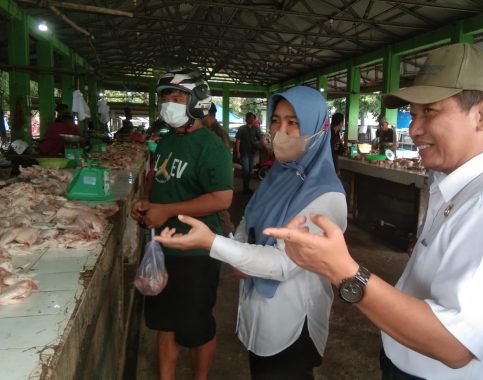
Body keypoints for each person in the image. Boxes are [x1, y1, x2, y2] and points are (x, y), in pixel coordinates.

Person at [264, 43, 483, 380]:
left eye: (429, 112)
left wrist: (344, 271)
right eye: (414, 114)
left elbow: (453, 343)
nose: (414, 129)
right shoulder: (459, 183)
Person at [154, 85, 347, 380]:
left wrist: (213, 243)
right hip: (258, 310)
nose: (281, 131)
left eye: (293, 123)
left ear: (319, 128)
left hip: (293, 319)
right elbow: (248, 221)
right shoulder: (280, 174)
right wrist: (239, 256)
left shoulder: (326, 195)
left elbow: (285, 263)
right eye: (276, 120)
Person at [130, 68, 233, 380]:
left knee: (196, 325)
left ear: (197, 102)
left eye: (178, 97)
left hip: (196, 252)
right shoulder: (166, 142)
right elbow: (160, 183)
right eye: (166, 98)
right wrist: (148, 205)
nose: (170, 103)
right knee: (165, 322)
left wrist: (167, 210)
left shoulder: (210, 146)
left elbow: (222, 198)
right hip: (163, 247)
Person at [203, 102, 234, 236]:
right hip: (215, 175)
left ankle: (229, 237)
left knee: (220, 209)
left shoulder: (215, 133)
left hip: (216, 177)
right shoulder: (216, 129)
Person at [235, 112, 264, 194]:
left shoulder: (255, 128)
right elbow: (238, 140)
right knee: (246, 170)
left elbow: (261, 138)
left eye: (253, 118)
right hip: (244, 152)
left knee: (250, 170)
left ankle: (247, 187)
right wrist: (238, 152)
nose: (252, 119)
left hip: (252, 152)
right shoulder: (242, 128)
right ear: (246, 119)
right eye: (250, 118)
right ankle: (245, 188)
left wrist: (264, 147)